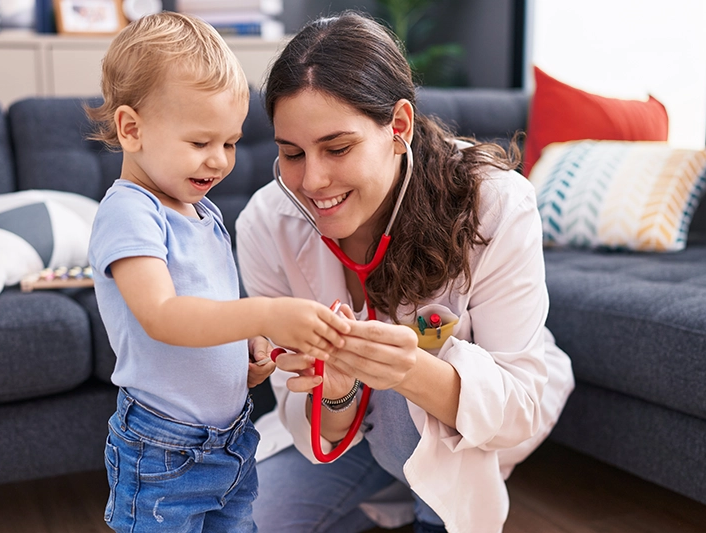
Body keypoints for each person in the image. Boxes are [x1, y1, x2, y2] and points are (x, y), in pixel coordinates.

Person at [235, 11, 576, 533]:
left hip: (468, 420)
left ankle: (430, 507)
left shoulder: (496, 202)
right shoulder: (265, 223)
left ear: (398, 127)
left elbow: (518, 402)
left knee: (404, 399)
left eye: (338, 147)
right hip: (348, 433)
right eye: (291, 153)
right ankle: (397, 486)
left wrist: (405, 370)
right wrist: (340, 387)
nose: (313, 180)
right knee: (249, 524)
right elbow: (305, 412)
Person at [86, 13, 351, 533]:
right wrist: (267, 312)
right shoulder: (130, 211)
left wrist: (247, 345)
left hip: (230, 436)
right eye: (200, 142)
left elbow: (212, 298)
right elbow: (164, 315)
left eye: (229, 143)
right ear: (131, 128)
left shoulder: (203, 211)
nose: (219, 161)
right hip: (163, 448)